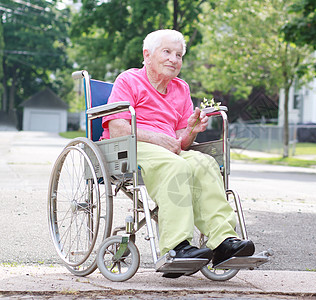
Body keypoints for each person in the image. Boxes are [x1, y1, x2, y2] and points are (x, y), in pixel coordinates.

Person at [101, 29, 255, 278]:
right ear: (147, 55)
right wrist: (156, 137)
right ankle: (176, 247)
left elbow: (181, 143)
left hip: (169, 150)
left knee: (204, 163)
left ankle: (223, 241)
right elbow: (118, 128)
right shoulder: (129, 80)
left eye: (179, 55)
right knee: (176, 166)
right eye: (167, 52)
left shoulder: (181, 88)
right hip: (132, 147)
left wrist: (191, 131)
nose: (174, 59)